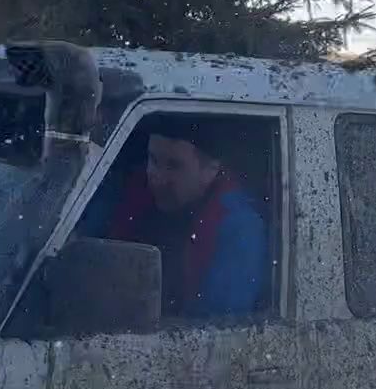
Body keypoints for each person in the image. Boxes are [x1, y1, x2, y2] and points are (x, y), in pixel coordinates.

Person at [95, 127, 269, 317]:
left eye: (174, 166)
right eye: (153, 160)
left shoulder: (238, 226)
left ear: (210, 171)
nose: (157, 176)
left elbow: (215, 327)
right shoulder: (126, 192)